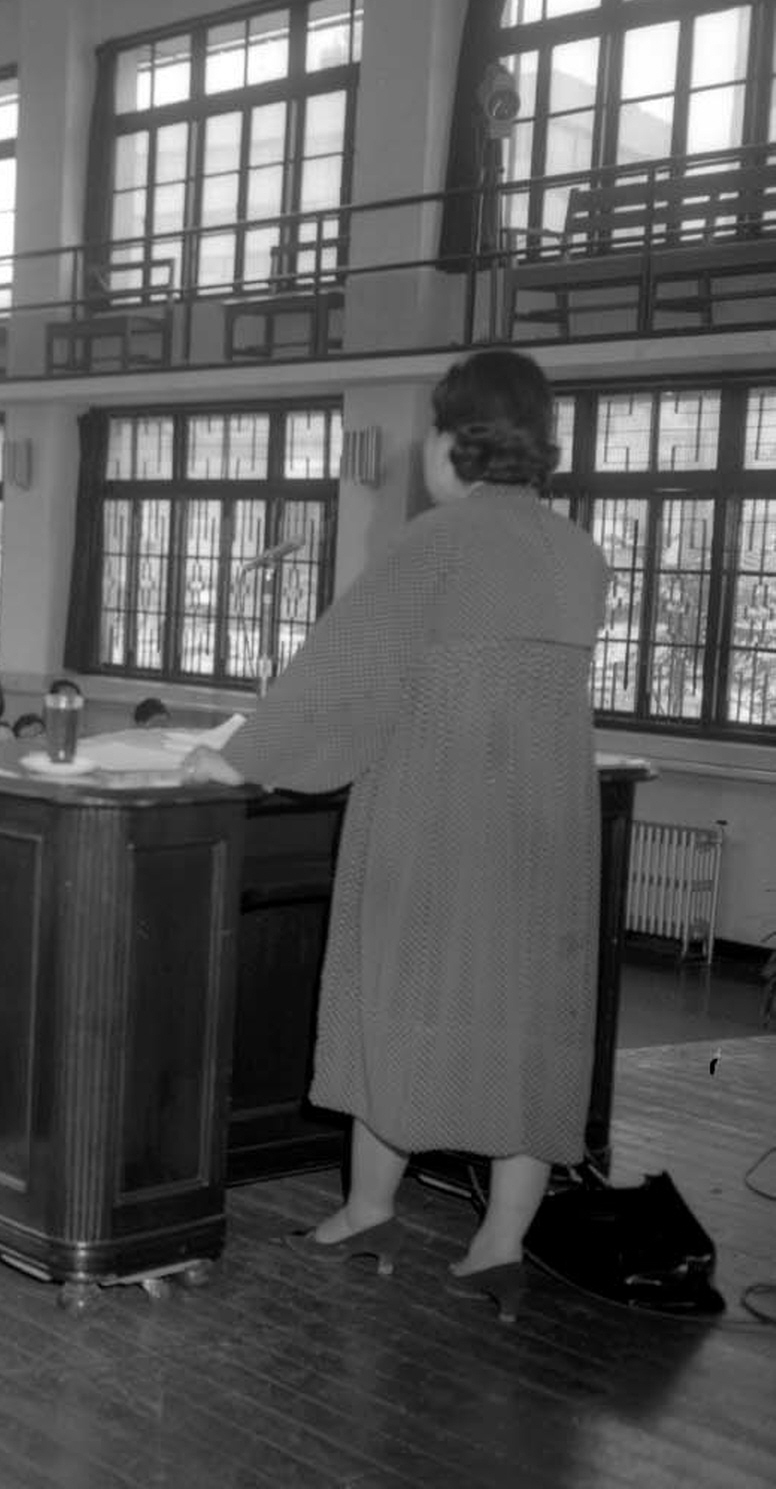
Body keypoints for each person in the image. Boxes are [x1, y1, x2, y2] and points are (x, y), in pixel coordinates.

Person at [184, 351, 610, 1323]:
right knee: (526, 1022)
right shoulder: (576, 551)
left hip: (435, 814)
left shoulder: (438, 541)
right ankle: (498, 1243)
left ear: (457, 437)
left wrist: (243, 758)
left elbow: (347, 674)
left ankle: (367, 1210)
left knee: (395, 994)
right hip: (544, 832)